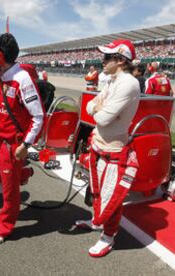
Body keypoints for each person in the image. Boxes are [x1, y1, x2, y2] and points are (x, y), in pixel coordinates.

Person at [75, 39, 140, 258]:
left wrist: (98, 108)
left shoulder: (128, 83)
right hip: (99, 146)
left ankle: (108, 237)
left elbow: (101, 118)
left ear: (120, 60)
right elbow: (90, 105)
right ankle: (97, 222)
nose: (102, 61)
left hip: (114, 151)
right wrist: (97, 107)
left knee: (112, 198)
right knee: (97, 192)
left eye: (106, 57)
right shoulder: (112, 81)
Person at [0, 33, 44, 245]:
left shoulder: (22, 79)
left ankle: (5, 227)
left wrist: (26, 145)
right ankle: (22, 173)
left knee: (10, 193)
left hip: (11, 145)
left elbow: (38, 116)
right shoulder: (1, 75)